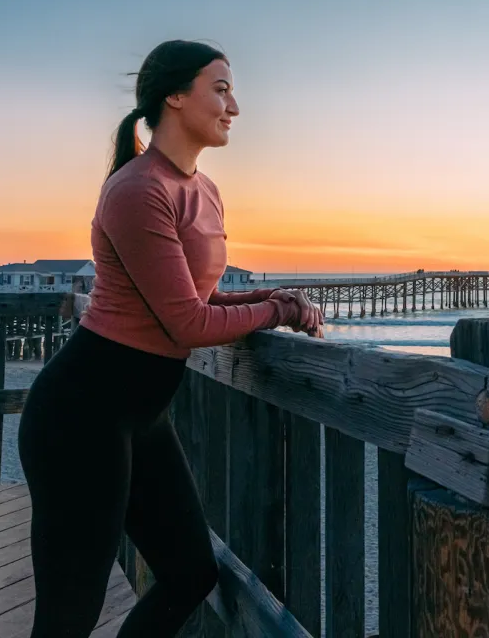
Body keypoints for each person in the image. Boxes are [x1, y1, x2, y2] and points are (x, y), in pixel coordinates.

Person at [18, 40, 323, 637]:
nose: (234, 105)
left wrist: (274, 304)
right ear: (176, 97)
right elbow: (186, 324)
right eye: (222, 88)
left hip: (142, 415)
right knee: (67, 616)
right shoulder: (137, 190)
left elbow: (198, 299)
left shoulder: (202, 189)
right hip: (81, 419)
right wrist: (276, 308)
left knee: (191, 572)